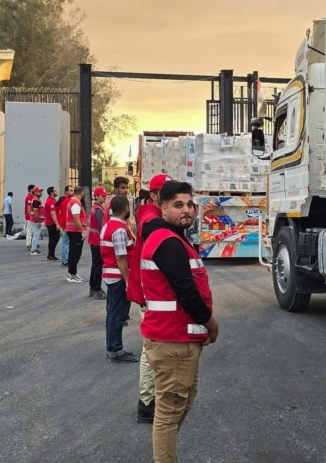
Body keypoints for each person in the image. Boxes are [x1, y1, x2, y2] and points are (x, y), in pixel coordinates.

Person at [139, 180, 218, 462]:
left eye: (189, 204)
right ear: (163, 207)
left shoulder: (173, 237)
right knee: (169, 412)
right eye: (178, 205)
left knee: (180, 404)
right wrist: (211, 324)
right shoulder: (168, 242)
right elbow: (187, 293)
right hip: (172, 340)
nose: (186, 210)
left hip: (180, 339)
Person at [132, 173, 171, 424]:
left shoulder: (155, 213)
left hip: (150, 292)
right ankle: (146, 403)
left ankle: (151, 398)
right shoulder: (150, 215)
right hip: (148, 294)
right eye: (164, 194)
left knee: (156, 347)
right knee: (151, 350)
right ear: (154, 195)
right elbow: (148, 226)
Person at [101, 195, 136, 363]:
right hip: (118, 276)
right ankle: (115, 350)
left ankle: (113, 348)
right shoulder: (120, 230)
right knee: (118, 314)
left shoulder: (108, 226)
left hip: (110, 275)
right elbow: (121, 258)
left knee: (112, 313)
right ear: (126, 209)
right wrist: (128, 280)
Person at [88, 186, 109, 299]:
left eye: (105, 195)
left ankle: (93, 288)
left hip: (94, 240)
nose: (104, 197)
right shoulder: (98, 210)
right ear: (96, 196)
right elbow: (103, 226)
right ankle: (97, 289)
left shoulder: (95, 208)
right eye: (102, 195)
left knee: (95, 265)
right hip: (97, 241)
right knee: (98, 266)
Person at [64, 186, 86, 282]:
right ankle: (72, 274)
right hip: (75, 231)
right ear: (81, 193)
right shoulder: (76, 203)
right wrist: (82, 231)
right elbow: (76, 218)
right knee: (75, 253)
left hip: (72, 230)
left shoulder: (71, 201)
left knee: (73, 252)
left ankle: (72, 273)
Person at [25, 185, 44, 254]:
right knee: (36, 234)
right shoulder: (36, 201)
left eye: (41, 191)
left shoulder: (36, 200)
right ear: (35, 192)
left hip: (35, 220)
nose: (41, 193)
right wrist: (38, 221)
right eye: (39, 192)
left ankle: (33, 247)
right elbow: (35, 211)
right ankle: (33, 249)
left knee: (35, 234)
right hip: (36, 220)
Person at [58, 184, 74, 267]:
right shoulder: (67, 201)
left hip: (65, 224)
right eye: (70, 190)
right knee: (65, 242)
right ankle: (65, 260)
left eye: (73, 190)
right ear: (66, 191)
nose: (72, 192)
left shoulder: (64, 200)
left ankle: (66, 259)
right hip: (67, 225)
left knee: (66, 242)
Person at [44, 186, 60, 260]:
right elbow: (53, 213)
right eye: (55, 190)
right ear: (51, 193)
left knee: (54, 238)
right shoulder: (51, 201)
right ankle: (51, 254)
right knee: (54, 238)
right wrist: (57, 224)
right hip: (51, 223)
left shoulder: (53, 200)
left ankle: (51, 254)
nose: (56, 191)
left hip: (51, 222)